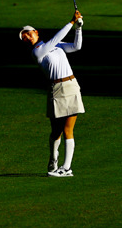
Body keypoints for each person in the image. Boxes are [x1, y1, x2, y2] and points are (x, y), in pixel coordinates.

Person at [20, 10, 84, 177]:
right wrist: (71, 22)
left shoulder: (56, 46)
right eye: (24, 37)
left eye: (28, 33)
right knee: (56, 130)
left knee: (68, 129)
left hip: (71, 85)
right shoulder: (38, 52)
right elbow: (55, 39)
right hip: (56, 90)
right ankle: (53, 158)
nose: (26, 36)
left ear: (35, 32)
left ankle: (67, 168)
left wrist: (78, 28)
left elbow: (76, 47)